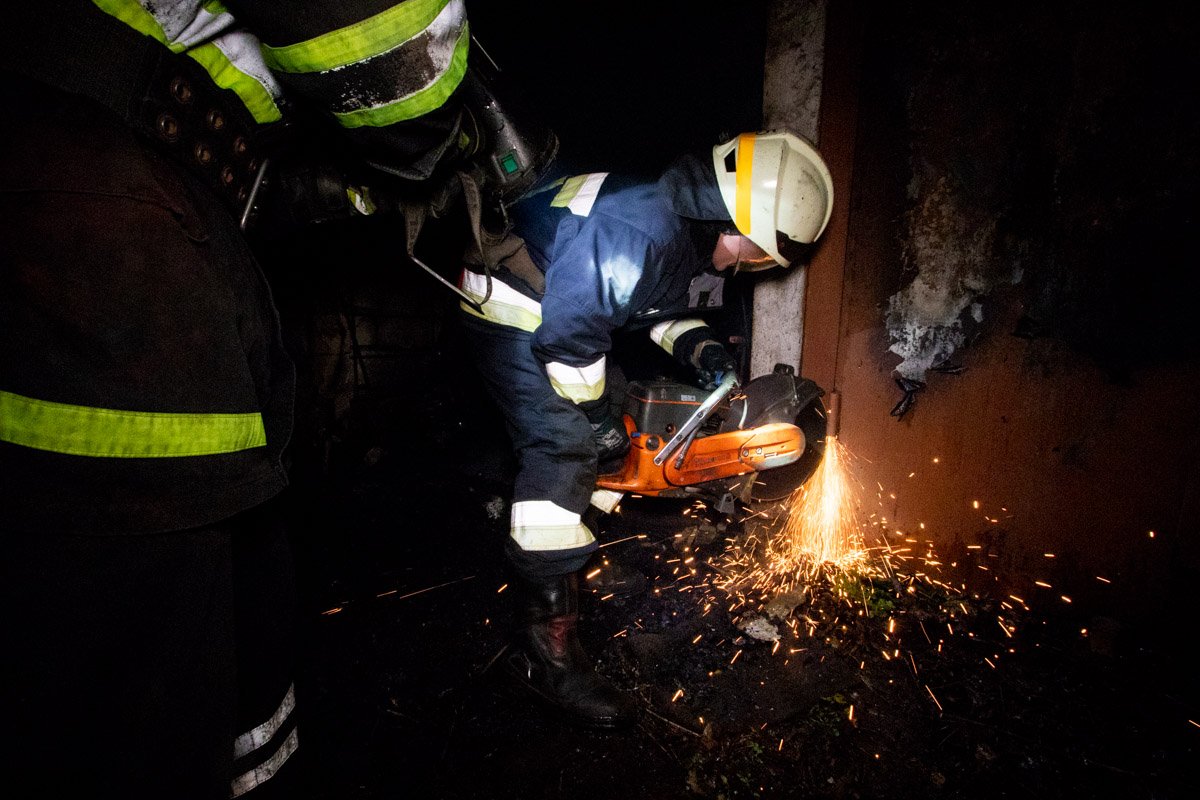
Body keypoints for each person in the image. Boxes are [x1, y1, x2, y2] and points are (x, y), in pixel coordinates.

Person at [0, 1, 540, 797]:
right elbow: (396, 42)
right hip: (109, 210)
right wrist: (442, 135)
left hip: (129, 187)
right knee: (163, 638)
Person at [456, 130, 835, 728]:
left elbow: (653, 309)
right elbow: (569, 339)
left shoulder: (687, 236)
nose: (753, 266)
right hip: (515, 307)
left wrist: (703, 349)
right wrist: (596, 421)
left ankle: (574, 551)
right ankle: (545, 656)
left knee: (620, 425)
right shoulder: (643, 230)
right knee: (564, 445)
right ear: (741, 221)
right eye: (761, 254)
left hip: (564, 313)